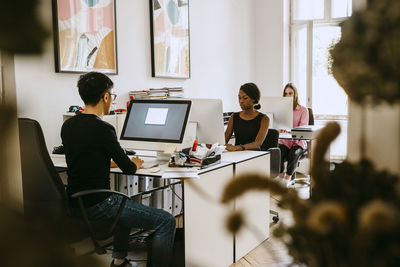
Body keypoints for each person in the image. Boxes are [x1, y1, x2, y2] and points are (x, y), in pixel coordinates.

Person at [61, 72, 176, 267]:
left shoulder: (68, 125)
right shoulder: (104, 129)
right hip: (101, 205)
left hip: (75, 203)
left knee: (126, 203)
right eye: (112, 96)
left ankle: (119, 260)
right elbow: (129, 168)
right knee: (166, 221)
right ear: (105, 96)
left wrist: (110, 162)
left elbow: (87, 159)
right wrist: (136, 163)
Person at [278, 82, 309, 187]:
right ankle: (280, 177)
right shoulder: (281, 110)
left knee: (293, 153)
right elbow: (278, 126)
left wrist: (290, 130)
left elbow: (303, 128)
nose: (288, 96)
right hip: (284, 141)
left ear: (295, 94)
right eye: (286, 93)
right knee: (278, 152)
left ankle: (287, 179)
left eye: (290, 93)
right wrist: (279, 128)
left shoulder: (303, 110)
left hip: (298, 142)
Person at [224, 82, 270, 151]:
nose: (241, 101)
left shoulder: (264, 119)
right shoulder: (234, 117)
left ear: (253, 99)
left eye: (245, 98)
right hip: (237, 155)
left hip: (255, 156)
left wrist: (237, 147)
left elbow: (257, 144)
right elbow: (224, 140)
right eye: (239, 98)